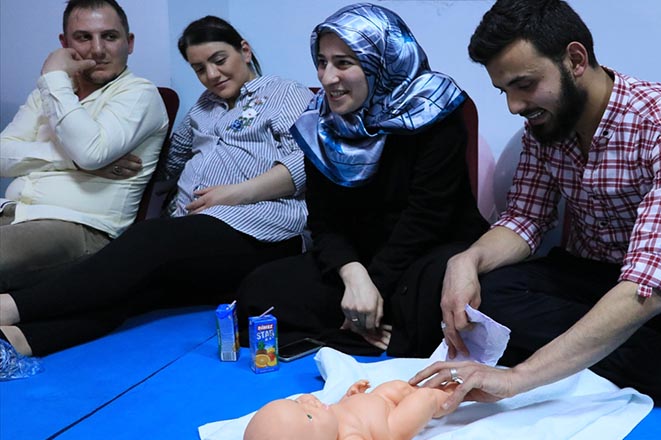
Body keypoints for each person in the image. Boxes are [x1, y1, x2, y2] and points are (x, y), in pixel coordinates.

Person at [411, 0, 661, 413]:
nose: (515, 106)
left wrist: (517, 379)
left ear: (575, 59)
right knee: (484, 291)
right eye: (504, 91)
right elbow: (525, 219)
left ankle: (573, 358)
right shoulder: (545, 127)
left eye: (524, 84)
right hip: (592, 275)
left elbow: (647, 288)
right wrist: (467, 261)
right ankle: (595, 354)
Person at [0, 15, 312, 363]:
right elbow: (166, 163)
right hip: (196, 234)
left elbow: (305, 163)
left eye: (219, 60)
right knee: (136, 289)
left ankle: (9, 307)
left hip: (260, 231)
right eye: (199, 68)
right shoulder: (202, 110)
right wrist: (106, 163)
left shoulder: (284, 92)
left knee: (150, 239)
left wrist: (233, 193)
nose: (211, 75)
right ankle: (19, 340)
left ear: (244, 50)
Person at [236, 3, 487, 357]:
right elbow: (323, 222)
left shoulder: (433, 111)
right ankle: (367, 327)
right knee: (257, 290)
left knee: (435, 296)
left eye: (343, 63)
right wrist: (354, 277)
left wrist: (376, 285)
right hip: (359, 262)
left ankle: (367, 325)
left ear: (381, 61)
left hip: (425, 253)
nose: (326, 78)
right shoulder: (319, 123)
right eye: (322, 62)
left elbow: (428, 218)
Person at [0, 0, 168, 288]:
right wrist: (69, 160)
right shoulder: (48, 94)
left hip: (78, 227)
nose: (98, 50)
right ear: (65, 43)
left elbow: (90, 153)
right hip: (13, 211)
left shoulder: (140, 94)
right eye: (83, 37)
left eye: (110, 36)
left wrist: (53, 75)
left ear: (129, 43)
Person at [244, 379, 454, 440]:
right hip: (391, 425)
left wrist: (350, 396)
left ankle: (440, 385)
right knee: (425, 399)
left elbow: (343, 412)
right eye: (308, 414)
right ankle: (453, 396)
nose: (310, 402)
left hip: (377, 399)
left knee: (398, 386)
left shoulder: (327, 420)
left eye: (296, 402)